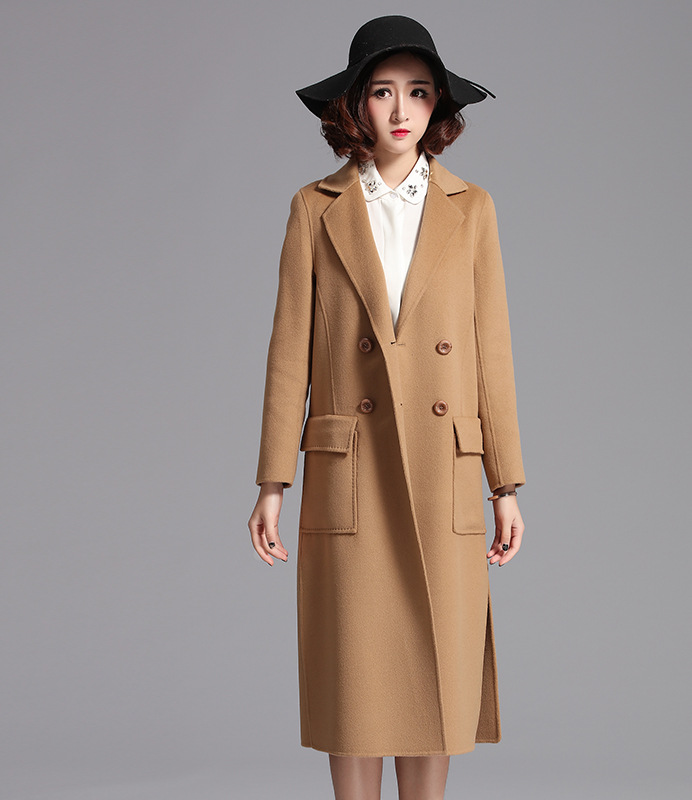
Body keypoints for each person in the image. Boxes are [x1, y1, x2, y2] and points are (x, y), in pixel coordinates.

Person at [248, 15, 527, 800]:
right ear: (354, 104)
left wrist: (506, 483)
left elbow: (492, 351)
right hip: (353, 471)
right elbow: (289, 351)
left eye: (419, 91)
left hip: (445, 469)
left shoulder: (473, 208)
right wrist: (272, 481)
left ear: (439, 106)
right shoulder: (315, 207)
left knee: (436, 677)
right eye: (381, 91)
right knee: (355, 684)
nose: (401, 110)